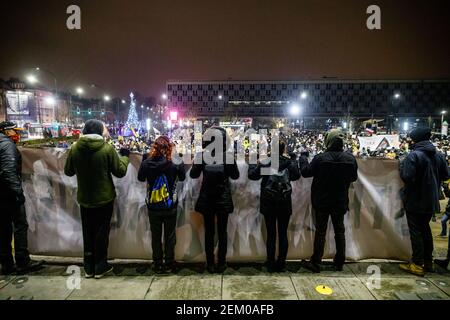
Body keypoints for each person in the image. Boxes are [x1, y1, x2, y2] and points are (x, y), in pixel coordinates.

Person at [64, 119, 130, 279]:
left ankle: (88, 267)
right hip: (104, 198)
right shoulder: (107, 149)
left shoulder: (74, 148)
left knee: (87, 232)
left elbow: (68, 171)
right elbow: (120, 171)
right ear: (99, 131)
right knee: (101, 232)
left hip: (85, 198)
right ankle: (100, 266)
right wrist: (125, 157)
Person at [299, 129, 358, 273]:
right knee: (340, 231)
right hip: (340, 201)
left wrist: (303, 158)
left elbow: (306, 172)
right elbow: (353, 178)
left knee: (321, 231)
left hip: (322, 201)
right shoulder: (350, 159)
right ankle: (339, 262)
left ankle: (316, 262)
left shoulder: (320, 158)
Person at [399, 127, 449, 276]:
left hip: (415, 199)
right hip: (431, 200)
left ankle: (416, 263)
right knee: (426, 229)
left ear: (415, 139)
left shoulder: (413, 156)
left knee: (416, 231)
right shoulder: (438, 155)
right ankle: (429, 262)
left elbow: (407, 176)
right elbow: (446, 174)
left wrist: (401, 166)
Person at [190, 127, 239, 273]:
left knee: (209, 232)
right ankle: (222, 263)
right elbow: (235, 175)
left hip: (207, 199)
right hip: (223, 199)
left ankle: (210, 263)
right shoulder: (228, 157)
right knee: (222, 232)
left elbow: (193, 175)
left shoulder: (202, 156)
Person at [248, 140, 300, 272]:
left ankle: (270, 262)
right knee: (283, 233)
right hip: (284, 201)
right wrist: (293, 160)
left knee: (271, 234)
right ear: (284, 149)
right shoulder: (288, 163)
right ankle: (281, 263)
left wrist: (253, 162)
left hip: (269, 202)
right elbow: (295, 176)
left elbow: (253, 175)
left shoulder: (267, 162)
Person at [0, 121, 44, 275]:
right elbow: (8, 170)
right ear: (6, 131)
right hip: (8, 194)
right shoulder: (6, 145)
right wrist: (18, 193)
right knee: (19, 225)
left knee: (4, 229)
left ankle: (6, 263)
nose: (16, 134)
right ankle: (22, 260)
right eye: (14, 131)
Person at [138, 136, 185, 273]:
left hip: (153, 205)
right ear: (169, 147)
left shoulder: (147, 163)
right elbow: (182, 177)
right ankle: (169, 262)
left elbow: (141, 178)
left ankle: (157, 263)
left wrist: (144, 160)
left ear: (154, 147)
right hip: (170, 205)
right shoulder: (175, 162)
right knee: (170, 235)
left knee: (156, 235)